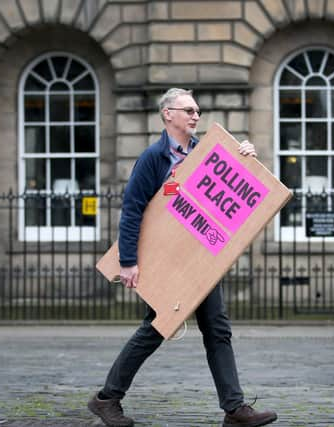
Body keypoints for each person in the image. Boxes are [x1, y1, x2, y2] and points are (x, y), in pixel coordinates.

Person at [88, 88, 278, 427]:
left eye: (197, 111)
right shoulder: (154, 158)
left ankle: (234, 409)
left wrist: (246, 156)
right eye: (188, 110)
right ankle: (106, 399)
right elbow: (132, 210)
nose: (195, 116)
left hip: (202, 261)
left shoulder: (209, 153)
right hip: (168, 262)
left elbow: (234, 193)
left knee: (217, 329)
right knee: (156, 329)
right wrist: (128, 261)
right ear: (168, 115)